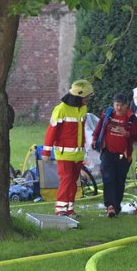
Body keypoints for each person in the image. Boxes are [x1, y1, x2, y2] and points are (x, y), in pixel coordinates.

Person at [43, 79, 94, 217]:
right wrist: (46, 151)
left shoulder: (82, 109)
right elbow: (51, 131)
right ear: (79, 96)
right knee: (66, 181)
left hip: (77, 154)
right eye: (86, 97)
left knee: (73, 182)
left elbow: (81, 131)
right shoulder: (61, 109)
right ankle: (60, 210)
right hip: (64, 153)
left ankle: (69, 209)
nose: (88, 100)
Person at [92, 93, 137, 218]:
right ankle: (110, 206)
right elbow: (99, 127)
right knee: (108, 178)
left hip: (123, 155)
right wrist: (94, 139)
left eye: (121, 105)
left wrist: (127, 133)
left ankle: (116, 206)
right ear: (113, 105)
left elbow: (136, 136)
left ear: (126, 106)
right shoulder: (108, 114)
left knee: (119, 181)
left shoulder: (131, 118)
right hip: (107, 152)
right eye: (116, 105)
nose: (118, 108)